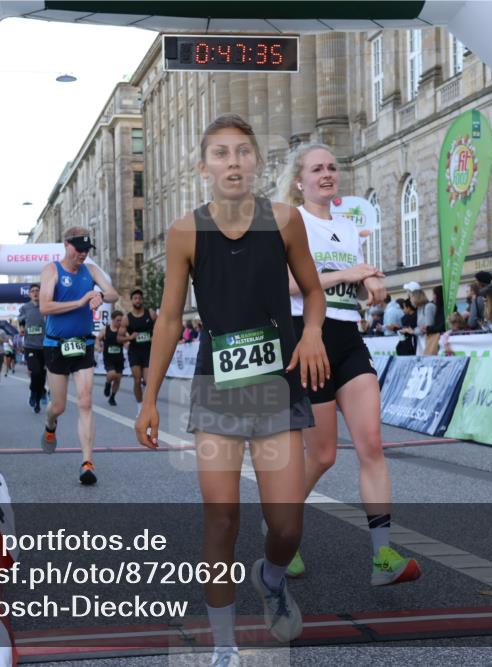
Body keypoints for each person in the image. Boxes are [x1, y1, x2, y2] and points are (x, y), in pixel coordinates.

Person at [135, 115, 330, 663]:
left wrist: (313, 330)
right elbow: (170, 319)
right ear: (204, 167)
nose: (233, 162)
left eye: (243, 152)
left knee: (285, 524)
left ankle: (271, 579)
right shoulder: (184, 232)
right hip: (217, 390)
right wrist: (149, 399)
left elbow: (313, 293)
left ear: (257, 163)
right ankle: (223, 644)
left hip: (275, 386)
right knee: (221, 517)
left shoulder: (287, 222)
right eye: (220, 154)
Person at [276, 142, 421, 586]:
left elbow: (356, 291)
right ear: (299, 180)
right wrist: (347, 275)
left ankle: (383, 558)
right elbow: (286, 284)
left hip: (348, 338)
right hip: (307, 338)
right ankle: (283, 534)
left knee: (372, 445)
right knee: (320, 455)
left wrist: (372, 283)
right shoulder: (290, 221)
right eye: (317, 169)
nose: (327, 174)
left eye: (332, 167)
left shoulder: (345, 226)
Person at [39, 227, 119, 484]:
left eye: (87, 250)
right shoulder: (52, 270)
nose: (83, 254)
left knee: (85, 402)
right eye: (79, 249)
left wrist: (99, 294)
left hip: (83, 344)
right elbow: (45, 306)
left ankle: (87, 462)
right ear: (66, 245)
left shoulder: (91, 270)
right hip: (56, 345)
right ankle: (50, 424)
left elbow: (113, 293)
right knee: (59, 406)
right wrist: (81, 301)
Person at [118, 288, 156, 408]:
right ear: (132, 301)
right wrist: (130, 338)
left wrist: (154, 336)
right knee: (137, 380)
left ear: (142, 300)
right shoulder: (127, 318)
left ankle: (148, 406)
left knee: (148, 381)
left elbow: (160, 326)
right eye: (135, 298)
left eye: (139, 298)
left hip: (148, 352)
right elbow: (119, 338)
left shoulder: (150, 313)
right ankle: (140, 407)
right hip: (134, 352)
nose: (138, 300)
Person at [19, 284, 48, 412]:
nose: (35, 293)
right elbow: (21, 322)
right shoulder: (25, 308)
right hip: (30, 346)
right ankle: (34, 394)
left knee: (42, 374)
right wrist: (21, 329)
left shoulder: (47, 305)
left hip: (45, 346)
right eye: (33, 291)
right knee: (35, 372)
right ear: (29, 294)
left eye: (37, 291)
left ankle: (38, 396)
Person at [97, 310, 126, 406]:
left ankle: (112, 397)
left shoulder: (122, 331)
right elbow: (98, 338)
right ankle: (108, 383)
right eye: (118, 320)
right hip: (108, 358)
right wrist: (98, 346)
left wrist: (128, 344)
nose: (120, 322)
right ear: (112, 320)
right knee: (112, 374)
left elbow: (127, 341)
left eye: (121, 321)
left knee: (118, 379)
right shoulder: (106, 329)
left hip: (119, 358)